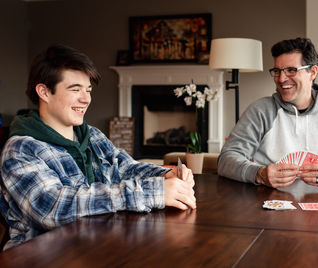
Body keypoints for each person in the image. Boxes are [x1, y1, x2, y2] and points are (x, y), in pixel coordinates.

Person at [0, 44, 196, 250]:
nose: (86, 99)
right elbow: (53, 209)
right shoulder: (21, 149)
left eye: (88, 90)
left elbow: (125, 168)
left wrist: (165, 175)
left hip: (99, 246)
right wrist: (152, 192)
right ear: (44, 92)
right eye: (75, 89)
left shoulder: (91, 135)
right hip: (43, 257)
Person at [218, 37, 318, 189]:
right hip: (268, 205)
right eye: (277, 71)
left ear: (312, 72)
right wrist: (259, 174)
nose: (281, 79)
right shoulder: (260, 111)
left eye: (291, 70)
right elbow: (226, 159)